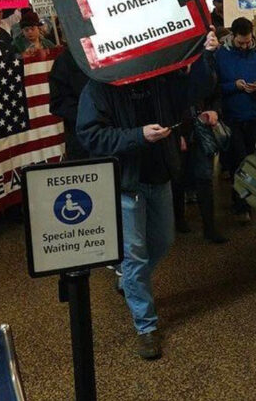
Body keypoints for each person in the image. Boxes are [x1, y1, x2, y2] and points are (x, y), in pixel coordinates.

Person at [77, 68, 188, 360]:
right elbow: (90, 135)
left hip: (158, 174)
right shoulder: (99, 86)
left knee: (164, 240)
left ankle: (127, 280)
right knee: (135, 254)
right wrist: (138, 136)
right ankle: (146, 326)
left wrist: (206, 57)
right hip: (126, 181)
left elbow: (188, 94)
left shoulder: (157, 75)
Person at [172, 32, 228, 244]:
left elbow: (215, 92)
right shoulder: (168, 66)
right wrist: (175, 131)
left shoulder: (205, 61)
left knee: (204, 177)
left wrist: (215, 110)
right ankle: (179, 219)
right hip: (178, 128)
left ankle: (209, 226)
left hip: (201, 127)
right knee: (177, 177)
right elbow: (166, 102)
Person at [215, 17, 256, 218]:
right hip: (232, 116)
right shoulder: (221, 56)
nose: (245, 46)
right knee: (239, 161)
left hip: (254, 115)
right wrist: (234, 86)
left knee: (252, 160)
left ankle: (249, 198)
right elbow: (215, 87)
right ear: (232, 37)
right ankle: (240, 204)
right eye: (241, 43)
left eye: (248, 42)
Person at [49, 48, 89, 161]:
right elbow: (57, 102)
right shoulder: (65, 60)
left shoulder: (106, 53)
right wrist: (87, 115)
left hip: (112, 133)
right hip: (80, 135)